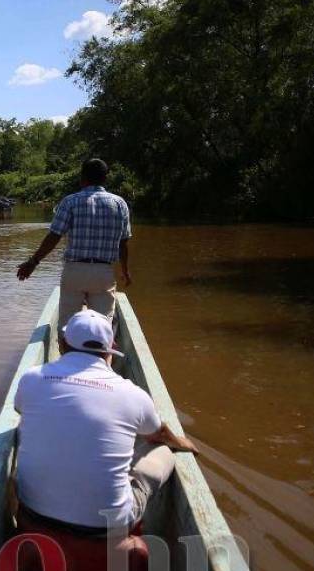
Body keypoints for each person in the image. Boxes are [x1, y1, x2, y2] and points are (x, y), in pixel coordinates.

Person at [14, 310, 194, 535]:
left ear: (62, 342)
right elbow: (158, 435)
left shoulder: (32, 378)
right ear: (112, 347)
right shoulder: (134, 395)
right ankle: (144, 521)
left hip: (33, 510)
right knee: (164, 450)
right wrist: (183, 443)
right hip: (105, 524)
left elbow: (20, 408)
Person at [16, 158, 132, 325]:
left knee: (67, 326)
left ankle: (68, 347)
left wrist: (33, 262)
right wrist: (125, 271)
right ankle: (102, 348)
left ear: (82, 178)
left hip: (74, 271)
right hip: (103, 272)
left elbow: (54, 236)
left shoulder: (70, 201)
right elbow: (123, 242)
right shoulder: (119, 204)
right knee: (102, 327)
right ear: (106, 178)